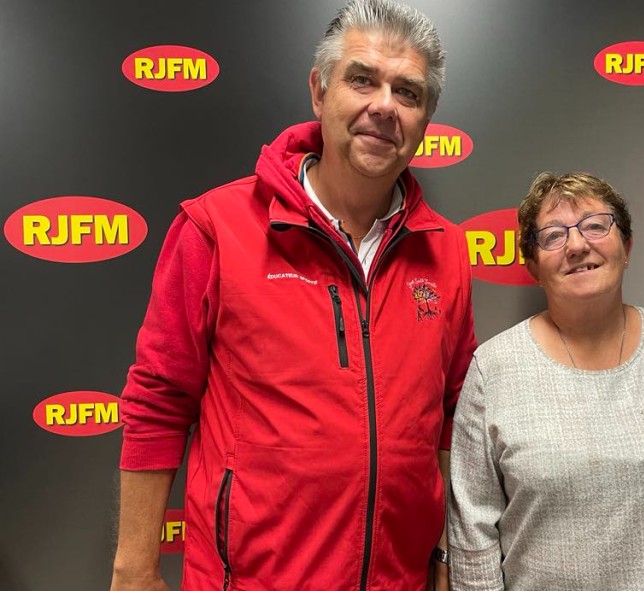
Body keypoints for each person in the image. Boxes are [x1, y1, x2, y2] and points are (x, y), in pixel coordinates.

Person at [110, 1, 476, 590]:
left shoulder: (447, 250)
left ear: (426, 117)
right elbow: (159, 402)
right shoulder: (217, 228)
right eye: (362, 79)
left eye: (407, 92)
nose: (384, 106)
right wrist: (134, 570)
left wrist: (445, 558)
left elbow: (451, 419)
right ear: (319, 91)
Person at [448, 172, 644, 590]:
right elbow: (472, 537)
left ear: (627, 247)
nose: (576, 245)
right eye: (553, 236)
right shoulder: (494, 369)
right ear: (533, 266)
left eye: (595, 226)